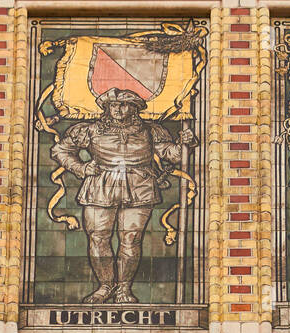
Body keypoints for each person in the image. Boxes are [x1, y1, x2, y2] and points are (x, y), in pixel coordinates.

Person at [51, 87, 198, 305]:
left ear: (135, 108)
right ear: (106, 107)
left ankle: (123, 289)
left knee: (131, 239)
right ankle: (105, 286)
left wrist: (186, 143)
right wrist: (81, 169)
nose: (118, 109)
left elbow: (171, 154)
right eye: (113, 105)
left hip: (139, 186)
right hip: (99, 185)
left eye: (124, 104)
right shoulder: (90, 130)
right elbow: (60, 150)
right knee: (98, 237)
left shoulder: (150, 130)